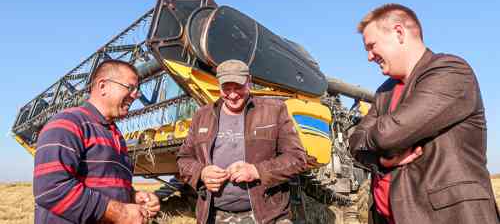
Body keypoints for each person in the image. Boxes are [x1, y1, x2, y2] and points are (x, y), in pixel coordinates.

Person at [349, 4, 500, 224]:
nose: (370, 57)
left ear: (399, 33)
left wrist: (374, 138)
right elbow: (354, 142)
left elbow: (387, 135)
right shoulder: (385, 91)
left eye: (372, 46)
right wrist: (382, 158)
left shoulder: (450, 71)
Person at [176, 59, 307, 224]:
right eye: (226, 88)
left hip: (267, 216)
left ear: (249, 82)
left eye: (238, 87)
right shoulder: (202, 116)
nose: (232, 95)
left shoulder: (274, 110)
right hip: (215, 216)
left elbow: (297, 158)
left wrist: (257, 171)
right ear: (219, 85)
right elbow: (183, 159)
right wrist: (201, 173)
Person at [33, 60, 160, 224]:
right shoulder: (68, 123)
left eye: (137, 90)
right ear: (102, 86)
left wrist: (133, 196)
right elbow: (51, 189)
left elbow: (105, 185)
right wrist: (121, 213)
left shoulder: (115, 135)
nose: (136, 95)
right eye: (130, 88)